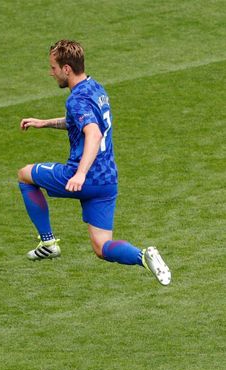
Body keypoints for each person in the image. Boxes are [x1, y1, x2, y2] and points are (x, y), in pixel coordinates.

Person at [17, 39, 171, 285]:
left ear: (67, 68)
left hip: (82, 177)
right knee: (102, 246)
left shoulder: (76, 99)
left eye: (53, 68)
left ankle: (47, 242)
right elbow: (81, 122)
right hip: (107, 181)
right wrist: (44, 122)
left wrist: (79, 174)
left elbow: (93, 132)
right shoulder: (97, 89)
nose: (51, 72)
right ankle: (144, 256)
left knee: (25, 175)